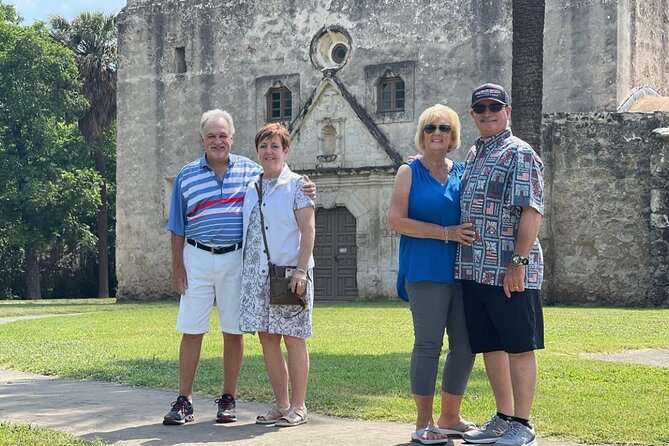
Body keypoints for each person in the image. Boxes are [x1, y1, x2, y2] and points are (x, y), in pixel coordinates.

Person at [164, 110, 314, 425]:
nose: (218, 141)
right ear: (202, 140)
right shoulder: (192, 175)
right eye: (211, 136)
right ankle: (185, 400)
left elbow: (294, 200)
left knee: (246, 332)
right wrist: (178, 266)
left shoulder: (256, 172)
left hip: (251, 264)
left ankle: (233, 399)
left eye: (223, 136)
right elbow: (177, 226)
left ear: (232, 139)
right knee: (202, 330)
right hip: (205, 259)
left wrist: (308, 187)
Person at [456, 84, 545, 446]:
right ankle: (504, 417)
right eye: (481, 108)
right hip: (475, 270)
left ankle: (522, 424)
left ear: (507, 110)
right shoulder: (475, 153)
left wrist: (518, 262)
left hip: (509, 270)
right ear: (472, 114)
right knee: (491, 345)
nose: (488, 112)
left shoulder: (519, 152)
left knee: (519, 346)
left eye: (495, 106)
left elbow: (531, 210)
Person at [389, 104, 478, 445]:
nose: (437, 133)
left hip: (462, 271)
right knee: (428, 345)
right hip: (425, 271)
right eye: (430, 128)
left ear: (453, 135)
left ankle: (450, 418)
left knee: (466, 346)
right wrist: (447, 233)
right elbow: (395, 220)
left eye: (443, 128)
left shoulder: (463, 173)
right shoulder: (408, 172)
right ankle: (423, 423)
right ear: (422, 136)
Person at [239, 123, 315, 427]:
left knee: (293, 338)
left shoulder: (298, 184)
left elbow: (308, 230)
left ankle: (299, 406)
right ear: (257, 151)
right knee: (267, 338)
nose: (268, 151)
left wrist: (301, 270)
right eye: (263, 146)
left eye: (275, 146)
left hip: (288, 273)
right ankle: (282, 405)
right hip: (256, 276)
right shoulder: (252, 186)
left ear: (285, 151)